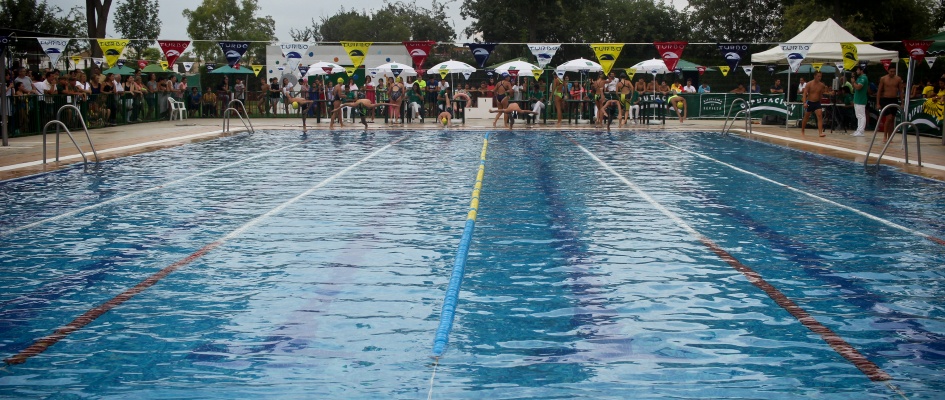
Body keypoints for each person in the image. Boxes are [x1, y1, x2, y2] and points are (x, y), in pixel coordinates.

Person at [875, 65, 904, 141]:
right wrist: (878, 103)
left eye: (894, 71)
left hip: (894, 99)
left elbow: (900, 91)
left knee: (892, 119)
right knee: (889, 118)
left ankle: (890, 136)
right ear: (888, 71)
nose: (892, 73)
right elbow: (879, 91)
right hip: (885, 99)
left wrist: (902, 103)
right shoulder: (883, 79)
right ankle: (885, 136)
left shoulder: (898, 79)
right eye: (891, 71)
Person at [329, 98, 396, 129]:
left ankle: (366, 126)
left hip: (362, 103)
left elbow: (344, 104)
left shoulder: (366, 104)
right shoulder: (365, 104)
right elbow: (382, 103)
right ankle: (366, 126)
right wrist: (393, 104)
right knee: (363, 120)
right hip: (361, 103)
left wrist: (336, 109)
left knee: (363, 120)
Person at [801, 71, 828, 137]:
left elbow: (822, 93)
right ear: (815, 76)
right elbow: (804, 94)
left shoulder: (821, 85)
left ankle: (820, 132)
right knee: (806, 117)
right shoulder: (809, 84)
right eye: (818, 76)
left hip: (817, 103)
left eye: (820, 76)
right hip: (810, 102)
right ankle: (802, 130)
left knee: (819, 116)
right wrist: (804, 102)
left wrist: (829, 92)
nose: (819, 78)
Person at [851, 66, 868, 136]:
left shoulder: (863, 78)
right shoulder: (859, 78)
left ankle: (861, 131)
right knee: (858, 115)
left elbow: (858, 87)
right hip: (857, 98)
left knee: (861, 115)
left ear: (861, 70)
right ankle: (858, 129)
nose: (857, 71)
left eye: (858, 70)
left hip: (861, 99)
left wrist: (854, 82)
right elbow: (854, 87)